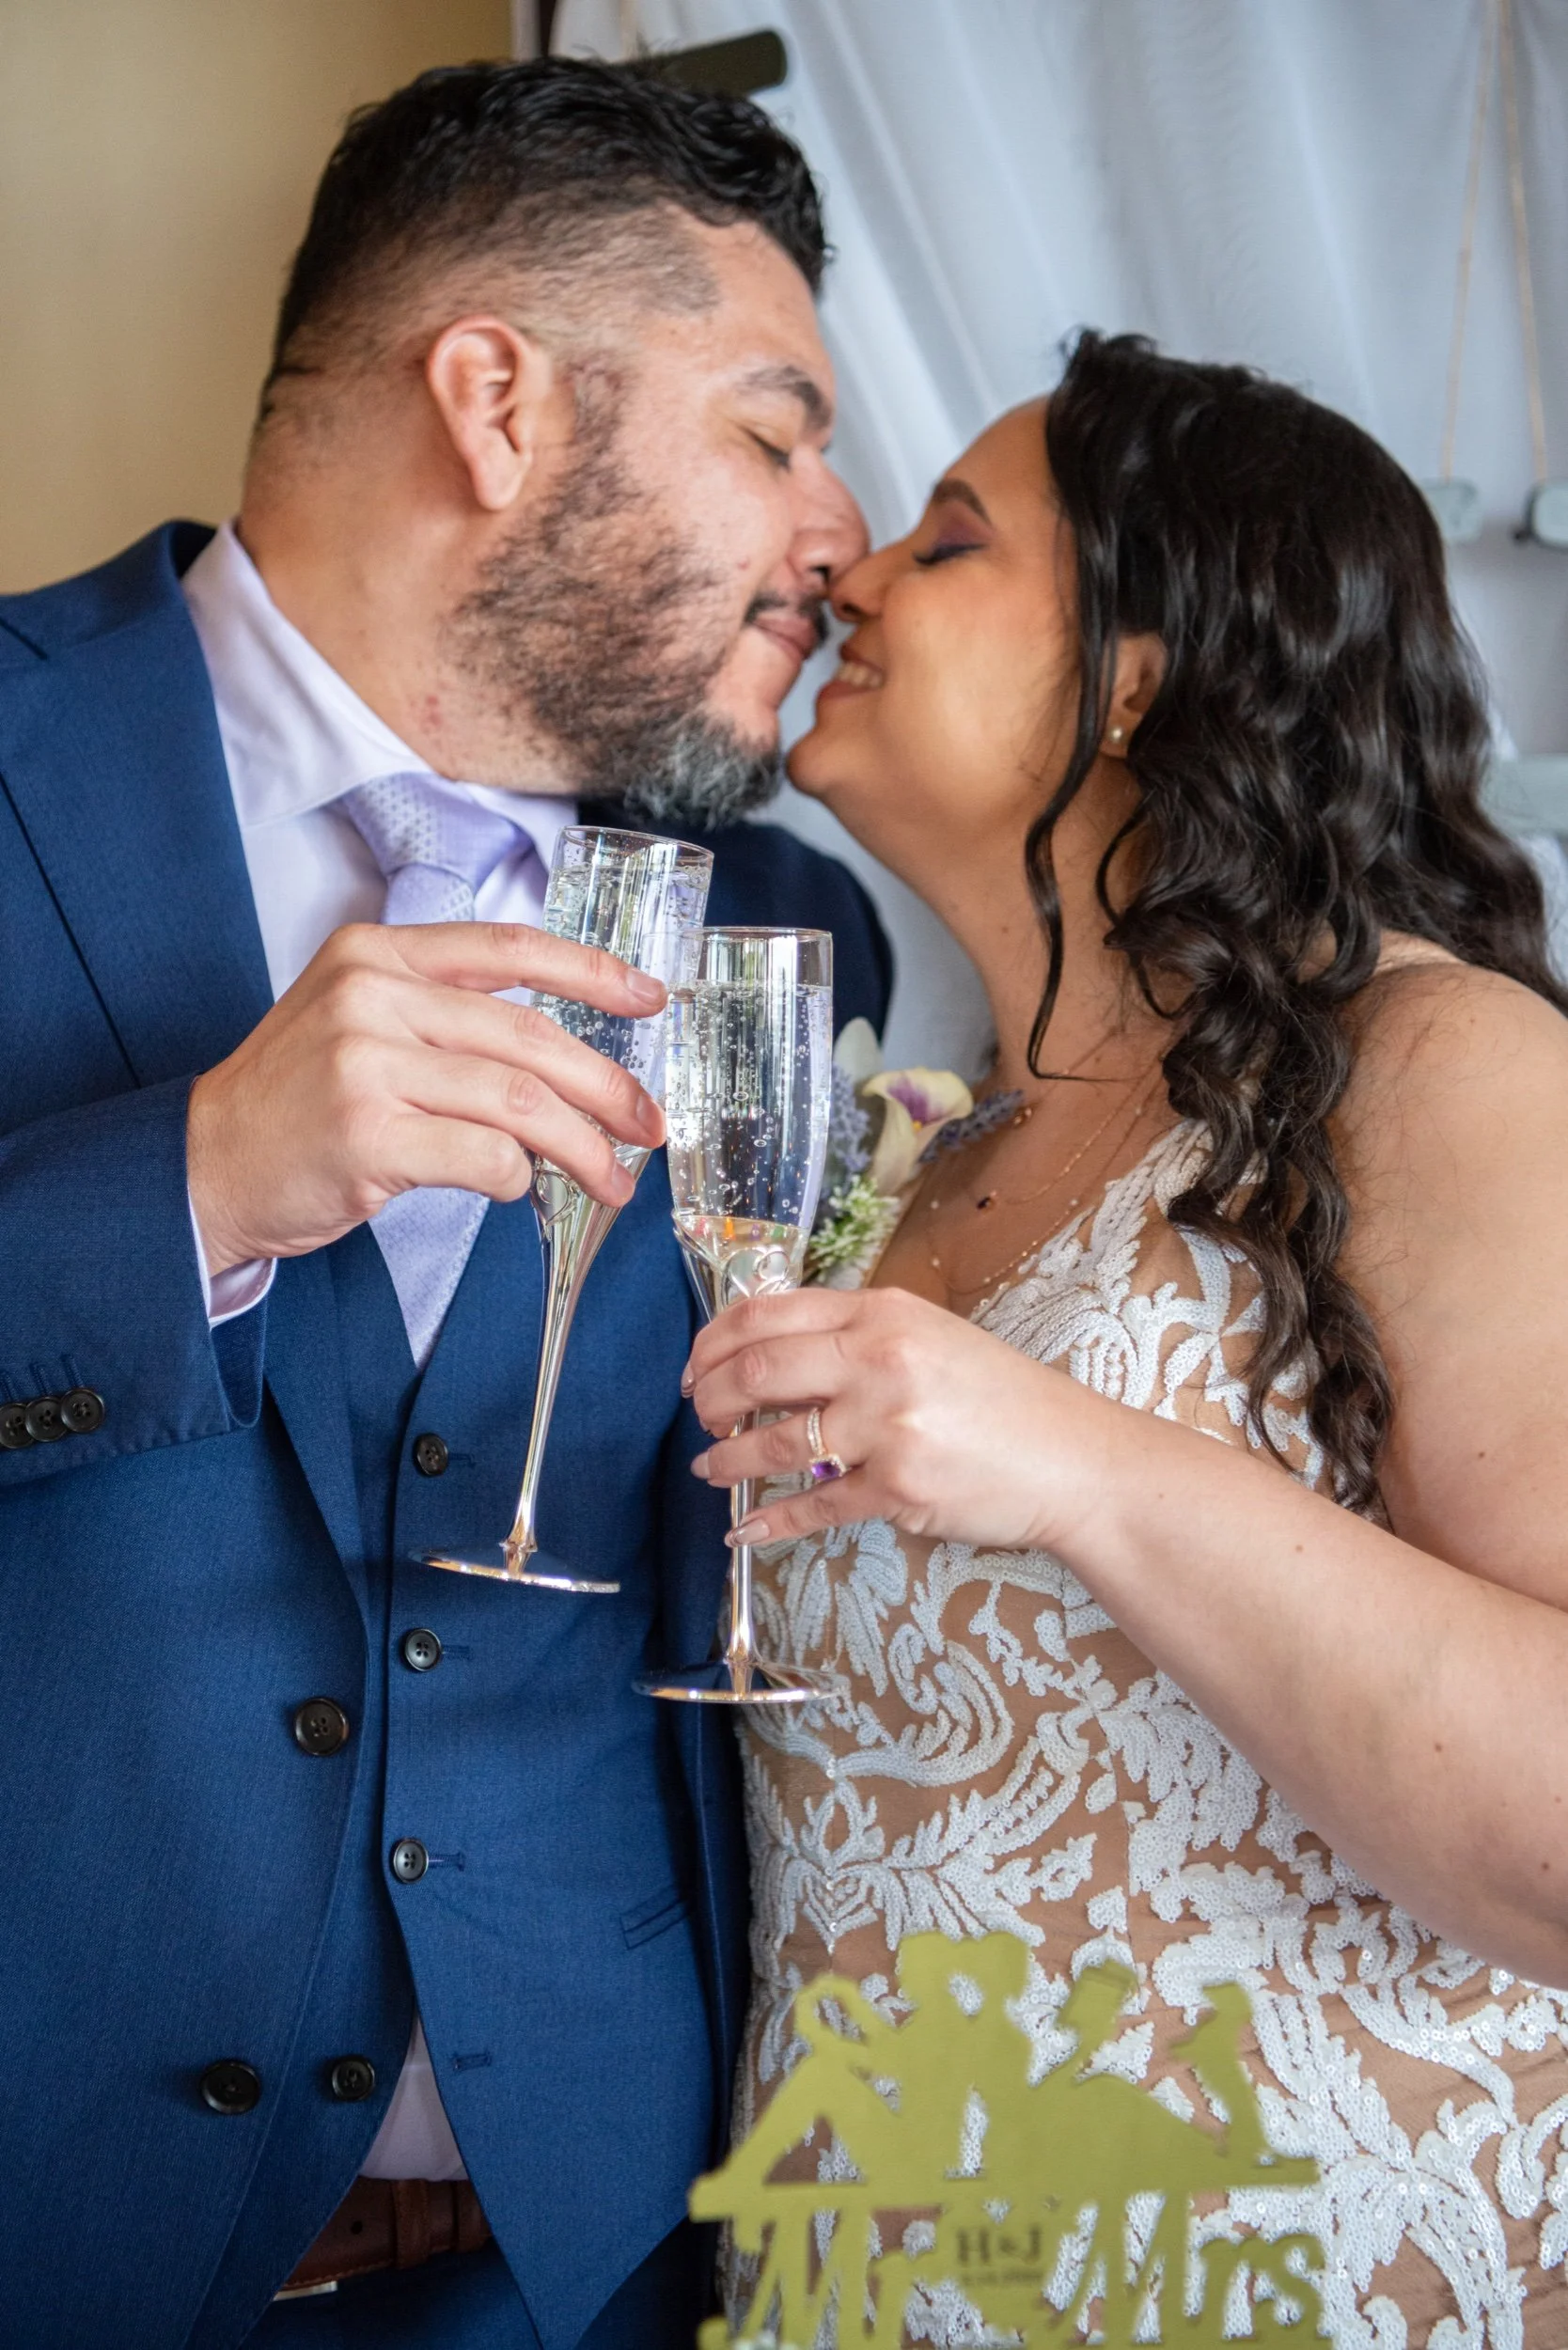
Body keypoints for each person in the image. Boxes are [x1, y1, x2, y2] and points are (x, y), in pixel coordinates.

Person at [0, 57, 890, 2350]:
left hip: (577, 2263)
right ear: (496, 401)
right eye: (777, 430)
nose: (841, 527)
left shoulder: (787, 939)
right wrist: (188, 1175)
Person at [685, 332, 1568, 2343]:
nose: (853, 576)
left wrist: (1079, 1464)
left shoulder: (1433, 1068)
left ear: (1145, 671)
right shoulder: (915, 1147)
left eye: (952, 542)